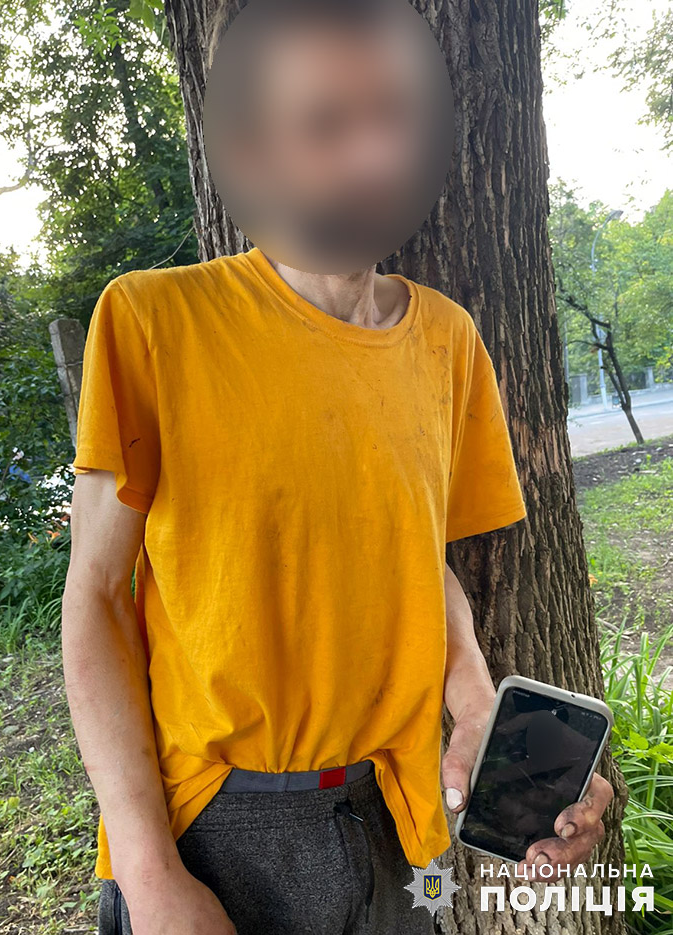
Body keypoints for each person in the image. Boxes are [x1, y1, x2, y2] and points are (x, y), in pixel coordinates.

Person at [61, 2, 614, 934]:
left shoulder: (447, 340)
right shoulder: (153, 322)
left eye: (391, 119)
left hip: (393, 810)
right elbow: (96, 598)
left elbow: (417, 558)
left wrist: (477, 706)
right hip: (216, 815)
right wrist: (150, 874)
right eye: (325, 122)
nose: (371, 157)